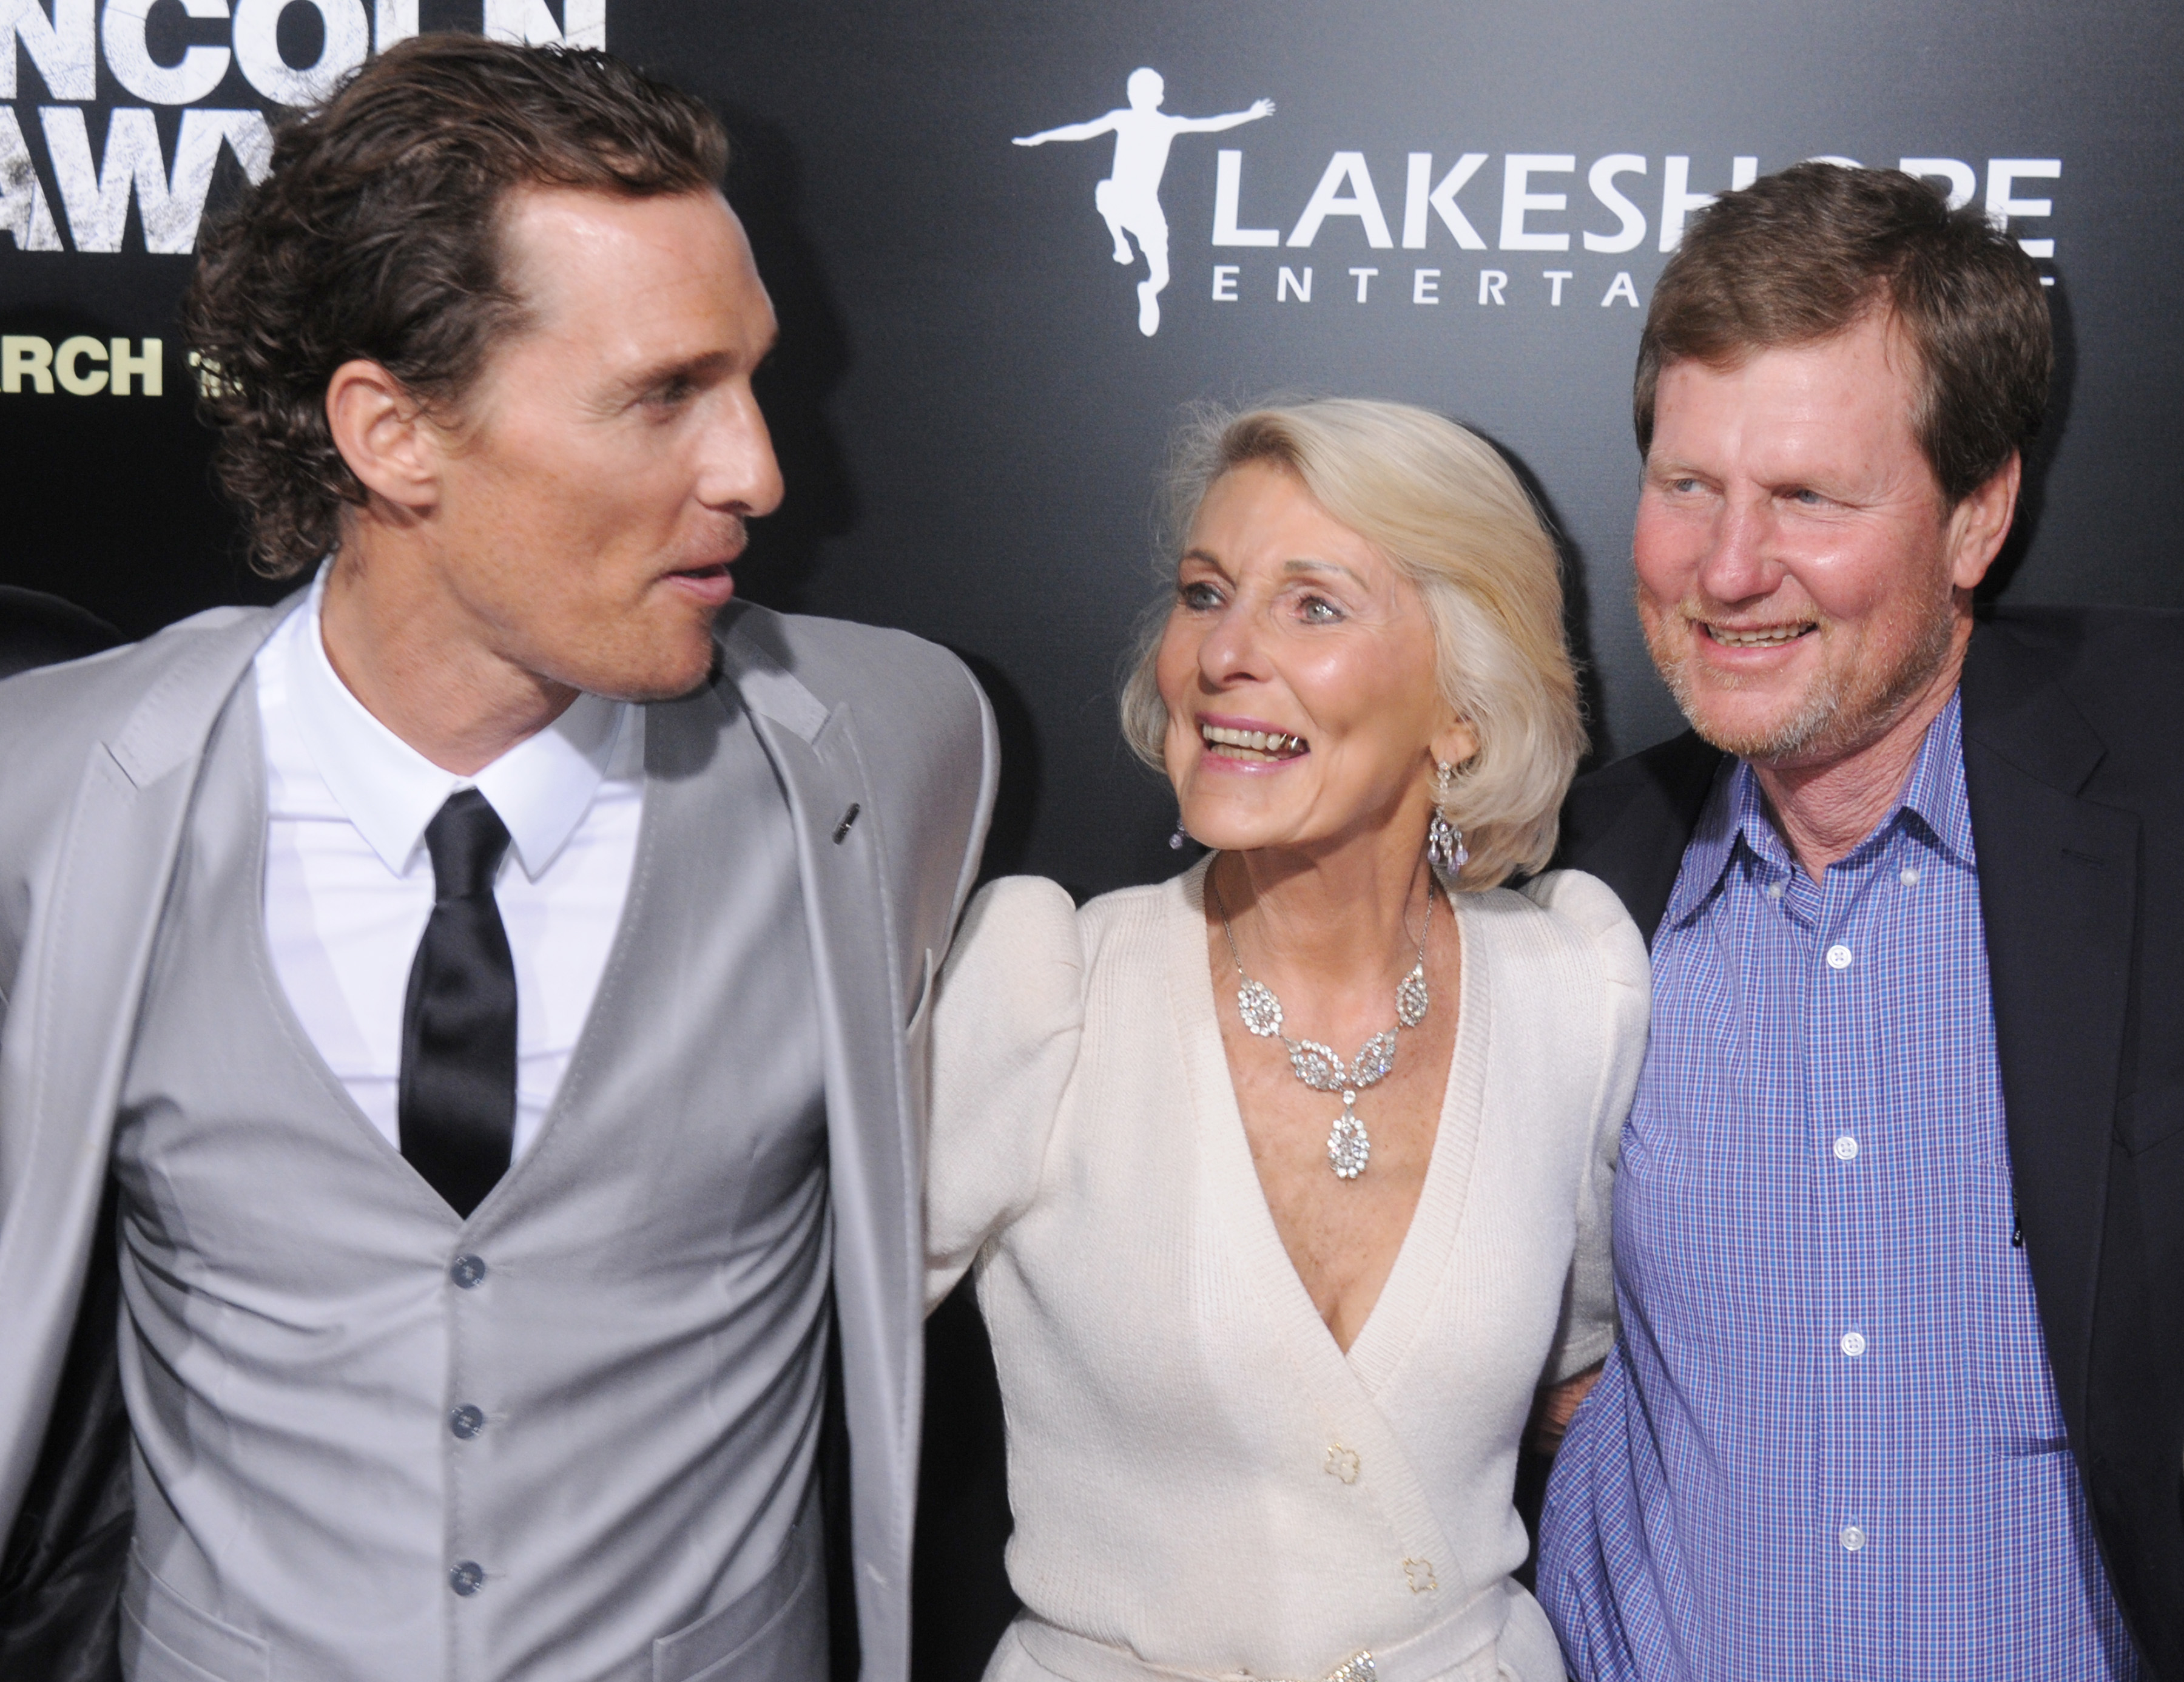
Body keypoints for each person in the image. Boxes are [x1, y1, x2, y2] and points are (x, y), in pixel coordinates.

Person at [0, 36, 995, 1682]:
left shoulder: (897, 739)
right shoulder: (47, 792)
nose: (759, 470)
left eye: (749, 375)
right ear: (393, 435)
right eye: (665, 393)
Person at [1537, 162, 2184, 1679]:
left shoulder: (2158, 784)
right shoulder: (1565, 879)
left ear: (1977, 517)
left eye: (1809, 497)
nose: (1729, 568)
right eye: (1687, 484)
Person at [926, 399, 1646, 1682]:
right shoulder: (1051, 988)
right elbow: (771, 1352)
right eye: (1206, 594)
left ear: (1462, 708)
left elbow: (1582, 1384)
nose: (1223, 654)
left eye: (1313, 606)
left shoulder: (1577, 994)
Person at [1013, 70, 1273, 337]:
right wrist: (1043, 136)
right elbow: (1083, 131)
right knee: (1104, 190)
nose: (1139, 97)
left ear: (1159, 97)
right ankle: (1121, 243)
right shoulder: (1121, 118)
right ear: (1129, 95)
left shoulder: (1168, 125)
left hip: (1147, 210)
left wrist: (1249, 115)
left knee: (1163, 277)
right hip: (1120, 199)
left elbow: (1212, 124)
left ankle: (1148, 291)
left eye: (1146, 93)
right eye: (1135, 92)